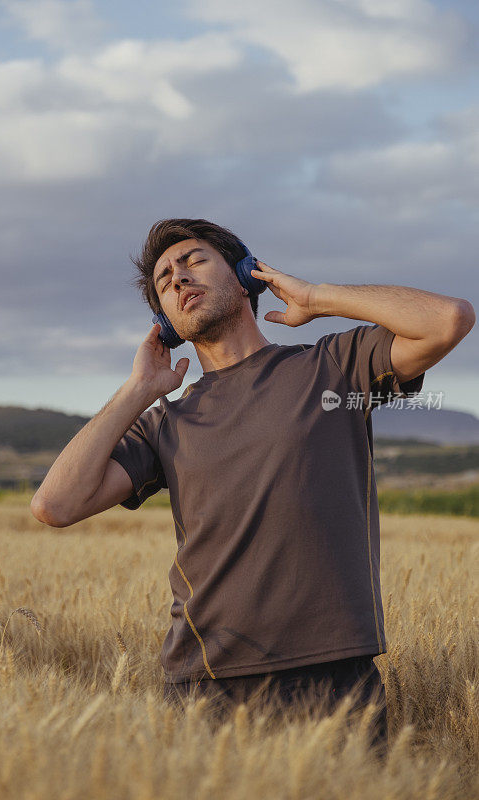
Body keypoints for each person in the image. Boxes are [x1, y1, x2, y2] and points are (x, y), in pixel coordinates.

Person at [30, 218, 475, 756]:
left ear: (246, 276)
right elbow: (55, 504)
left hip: (335, 679)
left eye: (193, 260)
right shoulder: (167, 421)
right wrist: (138, 389)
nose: (176, 279)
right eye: (164, 280)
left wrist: (317, 296)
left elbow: (448, 320)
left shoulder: (332, 371)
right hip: (204, 685)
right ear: (164, 321)